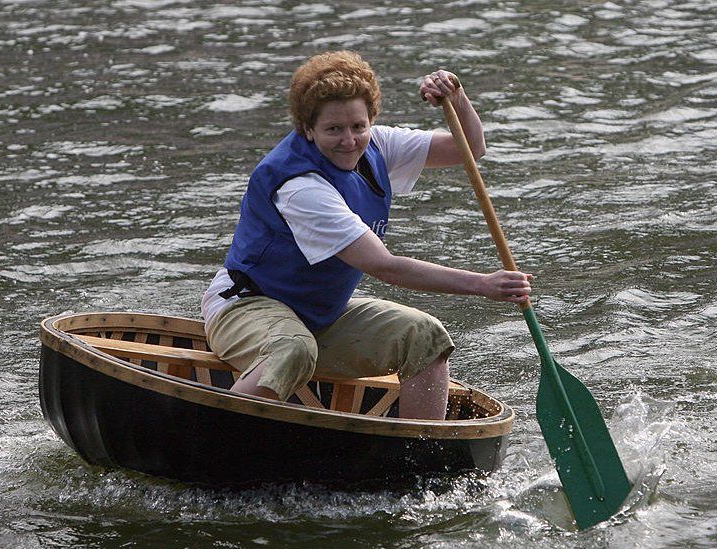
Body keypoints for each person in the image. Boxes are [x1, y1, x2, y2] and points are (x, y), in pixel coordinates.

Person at [201, 51, 532, 420]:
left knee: (425, 337)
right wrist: (483, 284)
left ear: (371, 121)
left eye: (358, 126)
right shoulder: (300, 186)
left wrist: (456, 97)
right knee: (293, 350)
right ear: (307, 130)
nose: (349, 140)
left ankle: (417, 462)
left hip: (320, 313)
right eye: (333, 130)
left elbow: (470, 149)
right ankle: (211, 435)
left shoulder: (378, 144)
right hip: (246, 306)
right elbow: (385, 267)